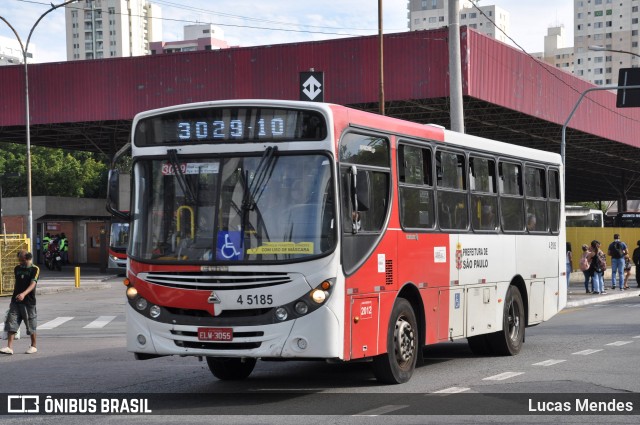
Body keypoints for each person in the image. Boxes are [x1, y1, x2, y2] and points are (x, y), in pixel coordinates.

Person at [1, 251, 40, 355]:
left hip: (28, 302)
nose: (20, 262)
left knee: (30, 323)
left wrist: (23, 294)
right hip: (15, 301)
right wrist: (17, 296)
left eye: (22, 260)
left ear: (27, 259)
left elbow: (33, 284)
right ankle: (9, 347)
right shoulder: (17, 269)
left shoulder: (35, 269)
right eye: (19, 260)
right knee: (11, 322)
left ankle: (33, 346)